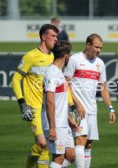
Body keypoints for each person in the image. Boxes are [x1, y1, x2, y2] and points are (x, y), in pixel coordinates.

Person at [64, 33, 116, 168]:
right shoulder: (74, 59)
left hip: (92, 108)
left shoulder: (100, 64)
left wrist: (110, 108)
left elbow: (103, 88)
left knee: (88, 144)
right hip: (76, 108)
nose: (99, 50)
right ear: (88, 45)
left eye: (101, 48)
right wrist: (77, 103)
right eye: (96, 47)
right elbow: (66, 84)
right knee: (81, 139)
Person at [11, 24, 58, 168]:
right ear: (44, 37)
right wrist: (22, 104)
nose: (56, 39)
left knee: (45, 146)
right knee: (42, 143)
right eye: (53, 36)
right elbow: (15, 79)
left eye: (57, 36)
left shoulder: (54, 57)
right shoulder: (31, 56)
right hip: (34, 107)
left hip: (49, 108)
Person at [42, 40, 75, 168]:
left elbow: (59, 101)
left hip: (63, 123)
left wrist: (68, 119)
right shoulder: (51, 73)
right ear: (66, 56)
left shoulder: (59, 73)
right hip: (55, 124)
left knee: (71, 155)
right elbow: (49, 102)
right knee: (58, 158)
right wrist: (52, 128)